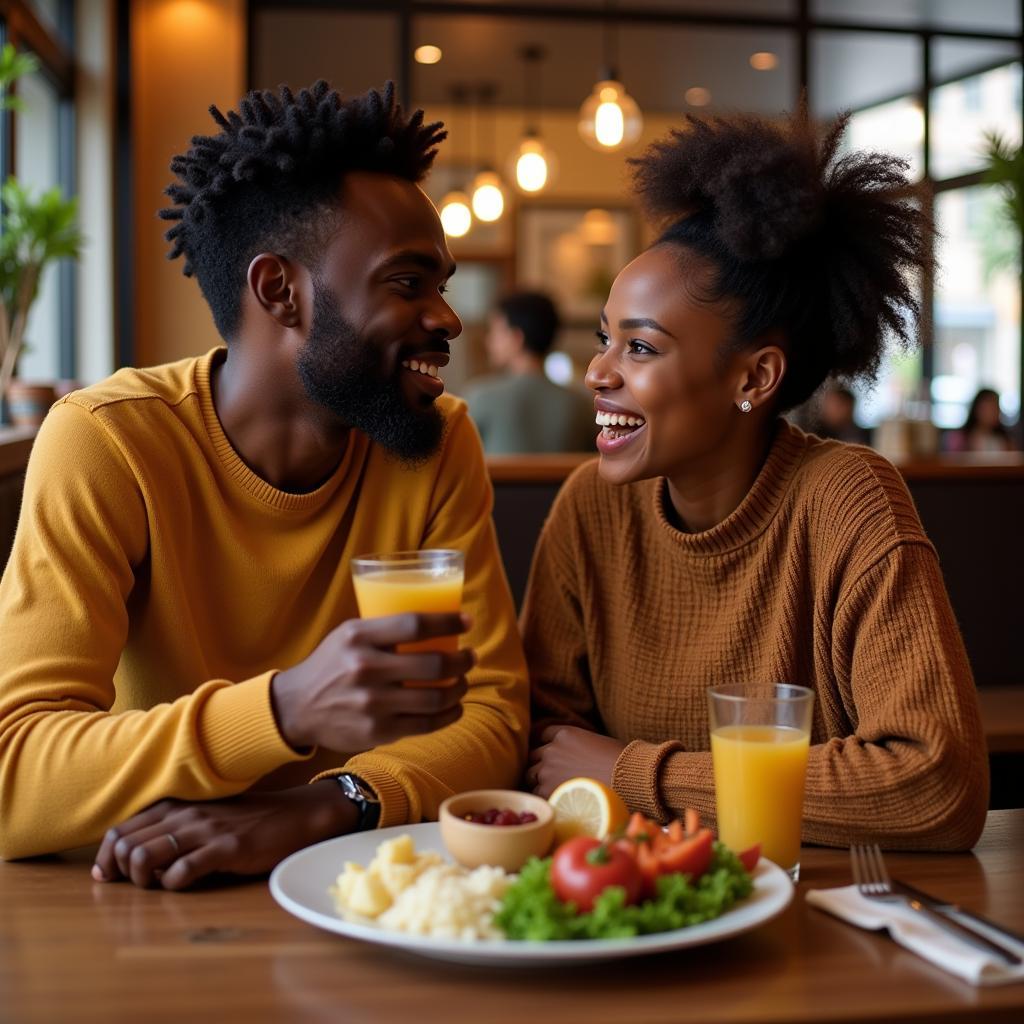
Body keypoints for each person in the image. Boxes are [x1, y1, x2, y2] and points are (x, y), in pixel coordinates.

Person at [0, 81, 528, 888]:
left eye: (443, 285)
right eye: (407, 282)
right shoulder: (110, 441)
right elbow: (13, 773)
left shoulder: (437, 440)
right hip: (146, 896)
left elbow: (491, 714)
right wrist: (283, 711)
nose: (447, 319)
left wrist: (323, 806)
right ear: (280, 290)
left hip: (364, 883)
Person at [522, 110, 988, 851]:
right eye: (605, 338)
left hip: (819, 919)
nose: (598, 372)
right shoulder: (592, 506)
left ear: (755, 376)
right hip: (642, 904)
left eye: (640, 346)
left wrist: (639, 773)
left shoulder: (845, 499)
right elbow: (545, 746)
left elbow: (934, 782)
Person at [464, 291, 596, 453]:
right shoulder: (580, 404)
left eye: (494, 331)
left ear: (516, 338)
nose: (489, 340)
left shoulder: (481, 397)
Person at [945, 387, 1014, 453]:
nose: (992, 413)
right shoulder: (960, 439)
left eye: (995, 408)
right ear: (976, 409)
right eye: (987, 408)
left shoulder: (1006, 440)